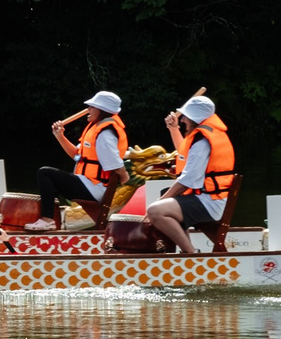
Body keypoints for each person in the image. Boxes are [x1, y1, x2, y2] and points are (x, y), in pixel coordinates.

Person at [145, 93, 236, 253]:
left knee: (155, 211)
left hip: (209, 202)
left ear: (195, 118)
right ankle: (189, 253)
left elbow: (188, 179)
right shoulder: (204, 137)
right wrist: (174, 129)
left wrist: (161, 200)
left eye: (186, 117)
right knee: (165, 203)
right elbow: (184, 153)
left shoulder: (203, 141)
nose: (182, 120)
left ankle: (191, 255)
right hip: (207, 198)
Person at [32, 91, 129, 232]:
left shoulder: (105, 133)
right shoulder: (95, 128)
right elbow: (77, 155)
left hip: (96, 187)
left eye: (92, 107)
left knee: (45, 173)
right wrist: (59, 136)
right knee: (48, 176)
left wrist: (124, 176)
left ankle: (48, 219)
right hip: (88, 183)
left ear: (102, 111)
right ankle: (51, 220)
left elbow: (114, 163)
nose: (88, 110)